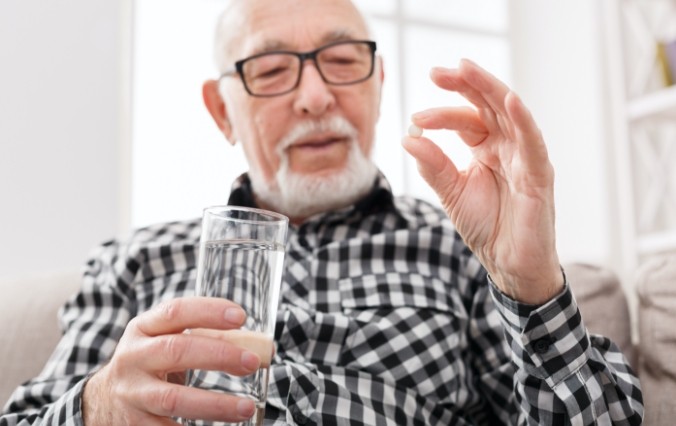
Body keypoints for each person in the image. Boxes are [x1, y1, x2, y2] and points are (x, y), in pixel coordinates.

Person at [1, 0, 643, 424]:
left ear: (378, 81)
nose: (315, 97)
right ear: (222, 110)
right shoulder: (134, 260)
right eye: (273, 70)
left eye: (342, 61)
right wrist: (104, 403)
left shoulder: (460, 247)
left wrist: (531, 285)